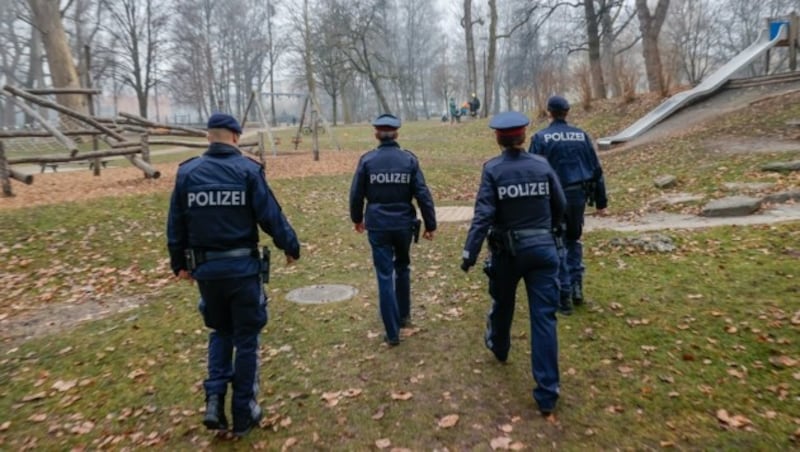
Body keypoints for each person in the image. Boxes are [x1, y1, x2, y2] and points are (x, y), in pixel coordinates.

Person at [166, 113, 301, 437]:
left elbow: (176, 224)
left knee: (220, 332)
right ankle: (243, 410)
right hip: (242, 271)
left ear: (209, 137)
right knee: (247, 339)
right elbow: (270, 214)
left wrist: (178, 263)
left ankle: (214, 400)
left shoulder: (188, 173)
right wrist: (290, 245)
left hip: (208, 273)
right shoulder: (248, 170)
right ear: (236, 137)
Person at [461, 111, 566, 417]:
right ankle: (547, 394)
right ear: (523, 137)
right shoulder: (543, 165)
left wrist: (469, 253)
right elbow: (559, 206)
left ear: (498, 138)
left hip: (507, 253)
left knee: (503, 302)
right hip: (544, 251)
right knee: (544, 319)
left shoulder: (493, 170)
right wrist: (551, 229)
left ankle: (500, 346)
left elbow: (483, 215)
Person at [349, 113, 437, 346]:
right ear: (397, 133)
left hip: (378, 225)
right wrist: (430, 224)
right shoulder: (408, 160)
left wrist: (357, 218)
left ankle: (392, 331)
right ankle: (404, 315)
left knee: (385, 274)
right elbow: (422, 194)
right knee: (403, 267)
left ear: (376, 134)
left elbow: (356, 193)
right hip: (402, 225)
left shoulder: (367, 161)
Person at [529, 95, 608, 315]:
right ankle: (576, 285)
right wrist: (601, 201)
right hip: (577, 197)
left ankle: (563, 293)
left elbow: (531, 170)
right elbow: (596, 170)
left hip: (552, 198)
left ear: (549, 112)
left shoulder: (541, 138)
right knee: (573, 239)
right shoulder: (581, 136)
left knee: (557, 243)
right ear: (567, 112)